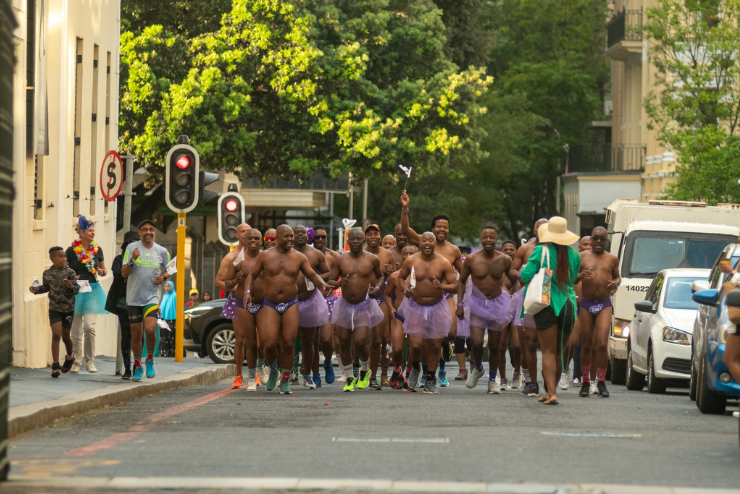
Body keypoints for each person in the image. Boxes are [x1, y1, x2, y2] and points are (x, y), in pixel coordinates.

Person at [243, 225, 328, 395]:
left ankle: (285, 380)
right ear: (277, 238)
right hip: (270, 304)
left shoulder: (299, 257)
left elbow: (312, 274)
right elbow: (252, 275)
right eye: (287, 237)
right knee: (269, 344)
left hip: (291, 303)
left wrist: (323, 284)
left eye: (291, 237)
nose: (290, 239)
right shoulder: (265, 256)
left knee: (289, 343)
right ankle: (274, 370)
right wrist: (247, 292)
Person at [400, 190, 462, 387]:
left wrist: (449, 287)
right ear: (431, 231)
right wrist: (405, 208)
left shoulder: (452, 251)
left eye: (445, 227)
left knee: (448, 335)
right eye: (438, 226)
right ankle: (418, 368)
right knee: (417, 344)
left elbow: (460, 277)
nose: (441, 229)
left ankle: (433, 370)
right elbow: (405, 229)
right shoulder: (419, 245)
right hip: (417, 301)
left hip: (443, 298)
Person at [520, 217, 581, 405]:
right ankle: (551, 391)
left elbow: (524, 276)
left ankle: (551, 393)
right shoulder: (575, 255)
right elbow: (573, 280)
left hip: (547, 304)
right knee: (560, 351)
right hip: (569, 305)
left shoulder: (540, 250)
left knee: (547, 351)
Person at [457, 227, 516, 394]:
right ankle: (478, 367)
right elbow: (461, 281)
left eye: (491, 237)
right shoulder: (471, 259)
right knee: (475, 342)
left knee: (495, 345)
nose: (488, 240)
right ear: (481, 239)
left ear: (496, 239)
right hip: (477, 303)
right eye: (485, 237)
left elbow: (514, 279)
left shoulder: (504, 259)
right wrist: (459, 304)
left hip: (497, 303)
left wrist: (519, 297)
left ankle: (492, 380)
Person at [396, 232, 457, 394]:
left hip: (437, 307)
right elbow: (401, 278)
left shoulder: (443, 263)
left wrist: (442, 287)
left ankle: (430, 378)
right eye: (424, 240)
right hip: (415, 306)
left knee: (435, 345)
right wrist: (405, 289)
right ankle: (415, 367)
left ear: (435, 243)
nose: (428, 243)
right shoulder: (411, 260)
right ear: (419, 243)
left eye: (431, 240)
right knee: (415, 345)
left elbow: (455, 285)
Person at [327, 228, 385, 392]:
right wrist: (338, 284)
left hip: (364, 305)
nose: (356, 241)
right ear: (348, 241)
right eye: (352, 239)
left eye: (359, 239)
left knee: (360, 342)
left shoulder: (372, 259)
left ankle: (365, 371)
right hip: (345, 305)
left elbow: (381, 276)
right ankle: (349, 378)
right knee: (344, 342)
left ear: (363, 240)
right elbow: (331, 278)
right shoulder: (340, 259)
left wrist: (377, 288)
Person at [122, 220, 172, 382]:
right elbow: (124, 273)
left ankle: (149, 359)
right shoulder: (132, 248)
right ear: (140, 232)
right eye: (145, 230)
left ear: (154, 232)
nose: (148, 232)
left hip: (152, 297)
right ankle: (137, 365)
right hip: (134, 297)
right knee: (135, 333)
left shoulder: (162, 251)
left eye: (151, 230)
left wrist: (163, 277)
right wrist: (132, 259)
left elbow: (171, 267)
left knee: (150, 329)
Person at [220, 226, 266, 391]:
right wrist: (234, 282)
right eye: (249, 236)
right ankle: (244, 376)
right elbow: (224, 282)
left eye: (256, 237)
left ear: (261, 240)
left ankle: (260, 367)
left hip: (262, 303)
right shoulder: (235, 259)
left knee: (265, 341)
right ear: (242, 238)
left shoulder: (267, 257)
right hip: (241, 302)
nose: (252, 240)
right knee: (245, 340)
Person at [578, 227, 620, 398]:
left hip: (604, 303)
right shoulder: (581, 257)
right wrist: (581, 276)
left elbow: (618, 277)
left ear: (606, 241)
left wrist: (615, 283)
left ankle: (601, 382)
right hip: (586, 303)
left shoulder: (612, 258)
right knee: (587, 344)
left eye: (602, 239)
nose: (598, 242)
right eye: (595, 238)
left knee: (602, 344)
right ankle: (586, 382)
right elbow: (571, 278)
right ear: (591, 239)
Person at [510, 218, 549, 396]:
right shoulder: (525, 249)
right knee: (528, 343)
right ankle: (531, 381)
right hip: (529, 297)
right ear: (534, 231)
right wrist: (523, 273)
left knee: (550, 343)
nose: (542, 231)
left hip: (550, 297)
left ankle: (549, 374)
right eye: (538, 228)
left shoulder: (558, 250)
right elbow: (512, 270)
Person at [66, 215, 108, 373]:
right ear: (81, 232)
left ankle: (90, 361)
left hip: (91, 290)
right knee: (76, 330)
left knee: (89, 327)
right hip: (75, 291)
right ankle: (76, 361)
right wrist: (71, 277)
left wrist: (102, 271)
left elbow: (104, 270)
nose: (93, 233)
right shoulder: (71, 251)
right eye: (90, 230)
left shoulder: (97, 250)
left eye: (94, 230)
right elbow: (65, 269)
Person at [30, 247, 80, 377]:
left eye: (65, 256)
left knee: (65, 337)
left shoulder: (70, 272)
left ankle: (70, 357)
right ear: (53, 259)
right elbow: (46, 287)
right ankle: (56, 365)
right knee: (56, 335)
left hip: (68, 309)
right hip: (54, 308)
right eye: (61, 256)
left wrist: (70, 286)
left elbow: (76, 289)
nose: (64, 259)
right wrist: (36, 290)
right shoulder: (47, 274)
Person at [293, 225, 331, 390]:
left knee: (309, 340)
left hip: (310, 301)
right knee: (285, 341)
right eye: (296, 233)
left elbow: (328, 273)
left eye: (303, 232)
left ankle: (308, 375)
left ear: (307, 235)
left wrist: (314, 278)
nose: (299, 235)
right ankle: (285, 372)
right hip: (289, 301)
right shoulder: (284, 254)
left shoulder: (315, 254)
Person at [105, 231, 140, 379]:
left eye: (136, 243)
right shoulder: (119, 260)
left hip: (140, 301)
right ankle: (127, 369)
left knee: (138, 335)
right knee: (126, 335)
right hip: (123, 302)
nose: (133, 245)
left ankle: (137, 366)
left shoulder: (145, 260)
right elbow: (121, 275)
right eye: (130, 243)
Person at [364, 224, 395, 388]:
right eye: (369, 234)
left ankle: (380, 375)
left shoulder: (387, 254)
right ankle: (364, 370)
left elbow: (395, 275)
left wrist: (391, 271)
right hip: (363, 299)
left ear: (380, 236)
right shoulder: (360, 252)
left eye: (375, 233)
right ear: (365, 237)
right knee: (364, 340)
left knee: (382, 339)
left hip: (381, 298)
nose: (373, 237)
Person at [560, 235, 591, 389]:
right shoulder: (576, 260)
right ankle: (565, 369)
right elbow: (567, 280)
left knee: (588, 344)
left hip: (591, 306)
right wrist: (579, 276)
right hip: (575, 305)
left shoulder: (601, 261)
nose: (587, 247)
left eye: (590, 244)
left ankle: (586, 378)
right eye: (584, 244)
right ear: (579, 246)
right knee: (572, 343)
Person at [385, 245, 418, 389]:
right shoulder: (394, 276)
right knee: (397, 348)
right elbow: (387, 294)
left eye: (412, 253)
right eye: (406, 253)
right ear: (402, 256)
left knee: (413, 348)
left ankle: (409, 375)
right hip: (398, 314)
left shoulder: (422, 276)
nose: (409, 255)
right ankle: (397, 370)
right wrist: (391, 307)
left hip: (416, 314)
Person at [312, 228, 340, 383]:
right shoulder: (305, 255)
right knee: (312, 339)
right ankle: (315, 373)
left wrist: (334, 285)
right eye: (317, 237)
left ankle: (328, 362)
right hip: (309, 301)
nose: (320, 240)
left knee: (327, 339)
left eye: (323, 237)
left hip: (327, 300)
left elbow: (341, 273)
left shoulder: (333, 256)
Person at [497, 239, 522, 389]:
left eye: (511, 249)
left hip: (518, 309)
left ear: (516, 251)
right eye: (505, 249)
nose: (508, 252)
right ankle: (503, 377)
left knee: (517, 345)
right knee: (500, 345)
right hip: (502, 309)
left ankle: (517, 372)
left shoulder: (521, 269)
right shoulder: (498, 269)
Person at [158, 281, 177, 358]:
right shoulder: (165, 296)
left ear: (172, 287)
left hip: (172, 318)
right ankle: (164, 352)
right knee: (163, 335)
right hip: (163, 319)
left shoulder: (175, 295)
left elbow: (175, 307)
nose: (167, 288)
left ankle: (171, 352)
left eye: (168, 286)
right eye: (165, 286)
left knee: (171, 335)